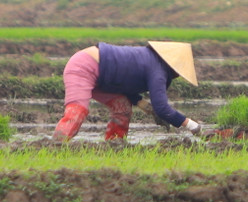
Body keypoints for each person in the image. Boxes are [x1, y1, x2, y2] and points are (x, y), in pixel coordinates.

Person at [54, 41, 203, 141]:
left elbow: (123, 81)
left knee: (123, 107)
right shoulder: (158, 71)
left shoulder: (151, 61)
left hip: (104, 77)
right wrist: (192, 125)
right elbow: (162, 108)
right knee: (78, 110)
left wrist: (140, 102)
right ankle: (56, 145)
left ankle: (114, 145)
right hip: (84, 66)